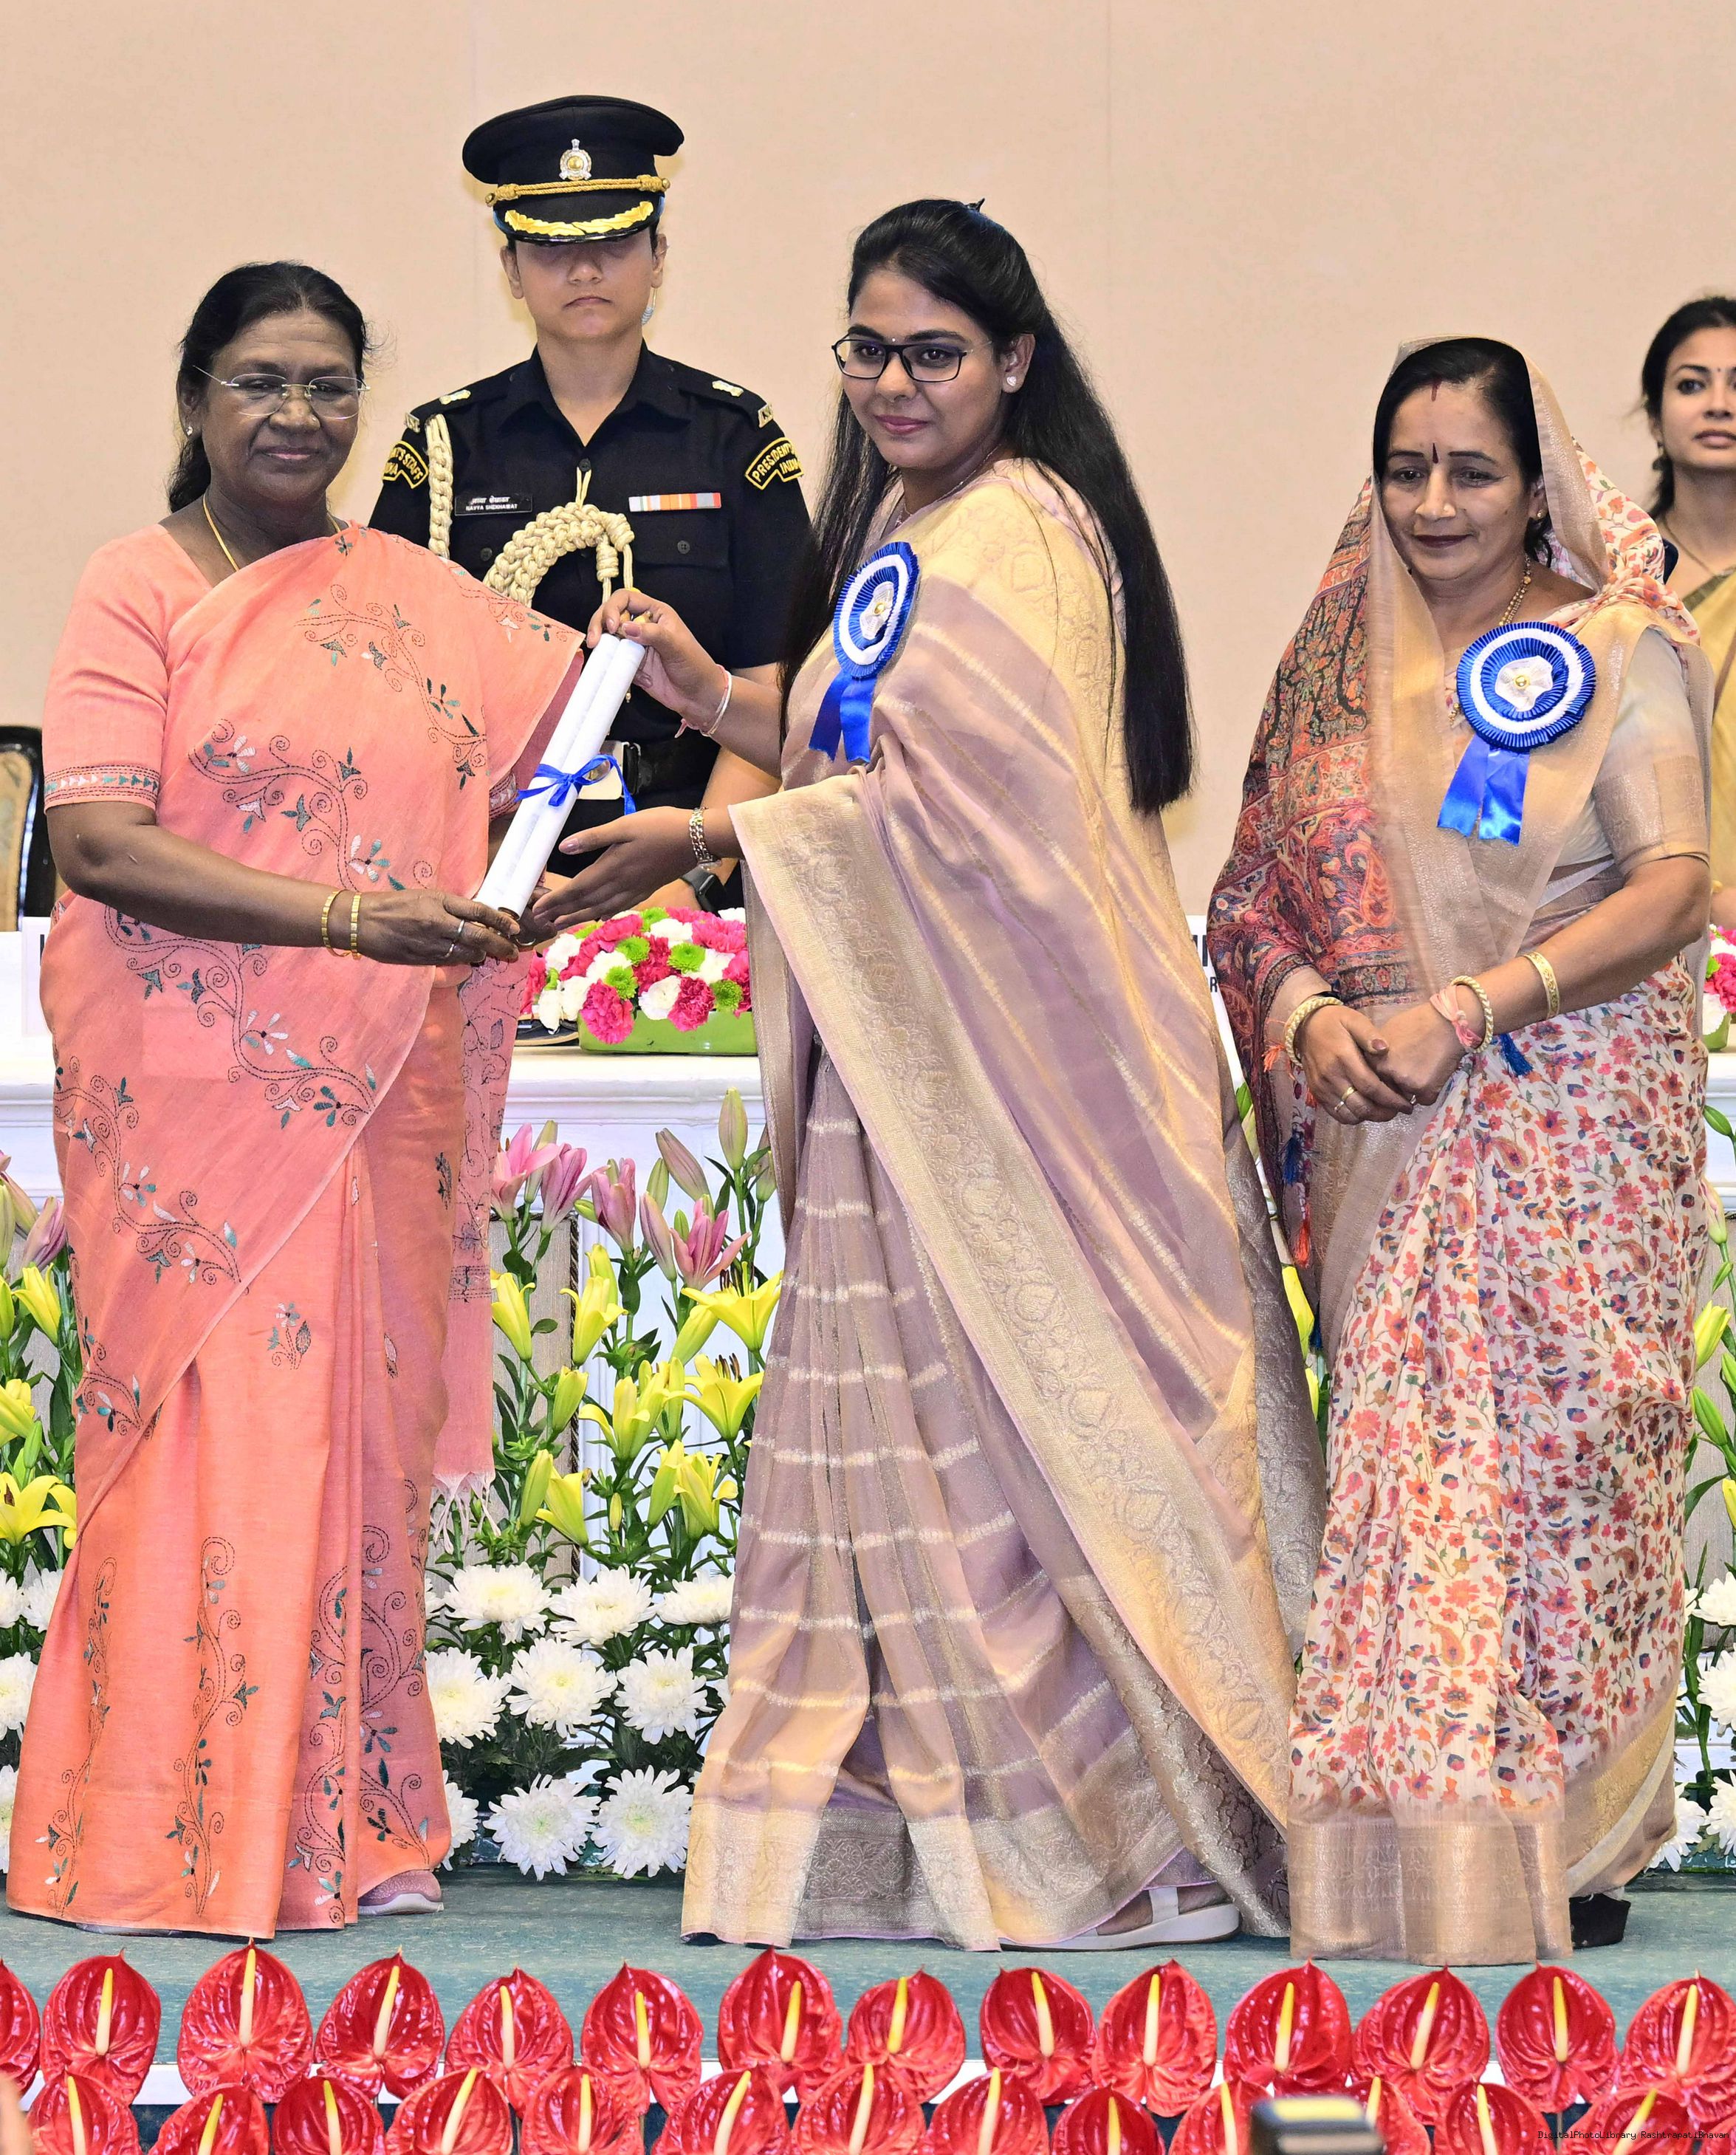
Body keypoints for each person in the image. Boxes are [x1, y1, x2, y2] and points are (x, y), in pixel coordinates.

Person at [557, 199, 1325, 1950]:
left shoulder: (1024, 534)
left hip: (1027, 1090)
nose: (893, 384)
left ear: (1011, 362)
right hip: (911, 1072)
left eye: (933, 354)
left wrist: (706, 838)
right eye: (868, 350)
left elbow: (993, 830)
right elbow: (869, 761)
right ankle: (928, 1846)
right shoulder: (911, 525)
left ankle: (1117, 1841)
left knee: (1012, 1460)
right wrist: (714, 700)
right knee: (913, 1462)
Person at [13, 262, 580, 1936]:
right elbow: (97, 840)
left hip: (380, 1087)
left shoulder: (413, 598)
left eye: (329, 384)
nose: (296, 413)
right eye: (260, 380)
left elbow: (564, 756)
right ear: (196, 396)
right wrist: (350, 918)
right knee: (211, 1450)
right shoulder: (135, 587)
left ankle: (341, 1834)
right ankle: (162, 1838)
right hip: (194, 1105)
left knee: (351, 1456)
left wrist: (578, 837)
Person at [1210, 338, 1711, 1965]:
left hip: (1568, 1121)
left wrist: (1468, 1005)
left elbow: (1670, 889)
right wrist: (1303, 1018)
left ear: (1534, 484)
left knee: (1565, 1480)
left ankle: (1575, 1840)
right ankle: (1409, 1853)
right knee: (1415, 1490)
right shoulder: (1329, 670)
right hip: (1379, 1125)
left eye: (1470, 471)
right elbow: (1247, 894)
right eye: (1405, 469)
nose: (1434, 503)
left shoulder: (1612, 648)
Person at [371, 94, 812, 916]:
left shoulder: (734, 437)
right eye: (550, 249)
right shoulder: (443, 446)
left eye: (613, 244)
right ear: (511, 269)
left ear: (658, 255)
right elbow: (394, 690)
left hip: (693, 850)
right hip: (483, 865)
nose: (583, 271)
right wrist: (490, 872)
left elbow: (775, 688)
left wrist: (689, 881)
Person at [1642, 295, 1736, 930]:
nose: (1718, 404)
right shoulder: (1613, 577)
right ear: (1654, 416)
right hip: (1645, 927)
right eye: (1691, 384)